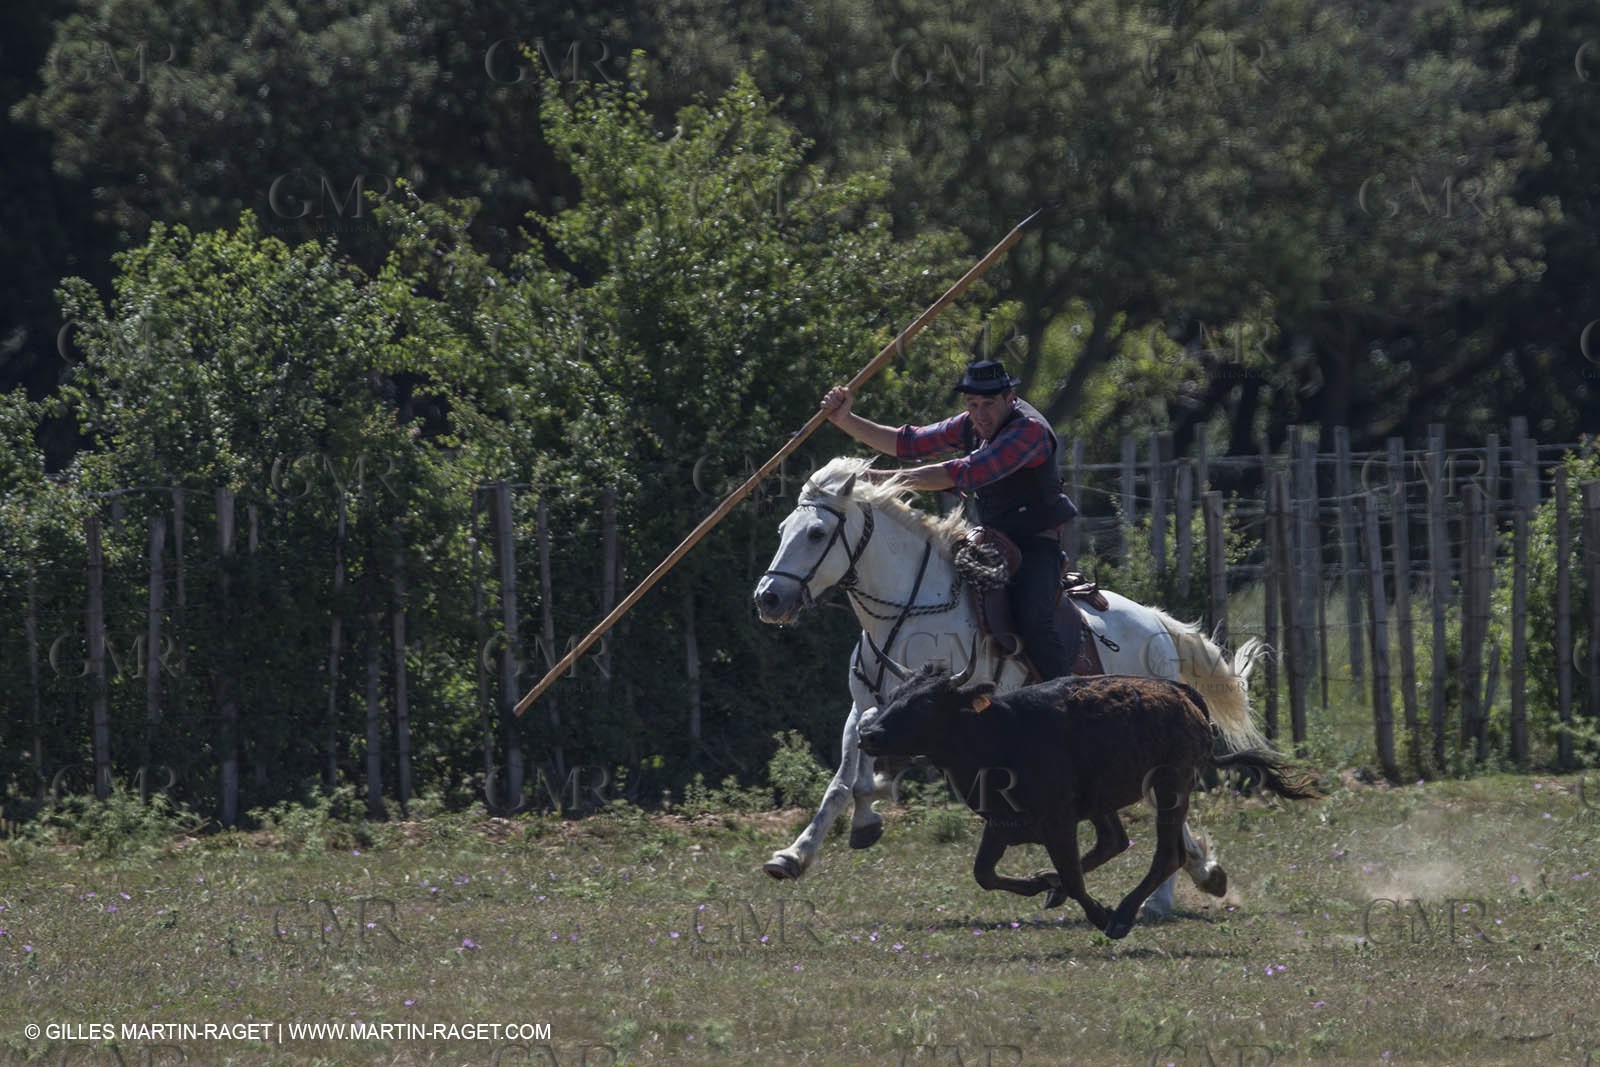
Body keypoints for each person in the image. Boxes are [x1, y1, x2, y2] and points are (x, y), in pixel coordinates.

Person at [820, 358, 1079, 679]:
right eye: (973, 404)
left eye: (989, 404)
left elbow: (964, 472)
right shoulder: (972, 422)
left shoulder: (1029, 431)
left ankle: (1064, 694)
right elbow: (908, 443)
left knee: (1032, 618)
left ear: (1010, 398)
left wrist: (876, 479)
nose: (980, 414)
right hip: (989, 540)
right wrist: (845, 419)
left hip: (1035, 545)